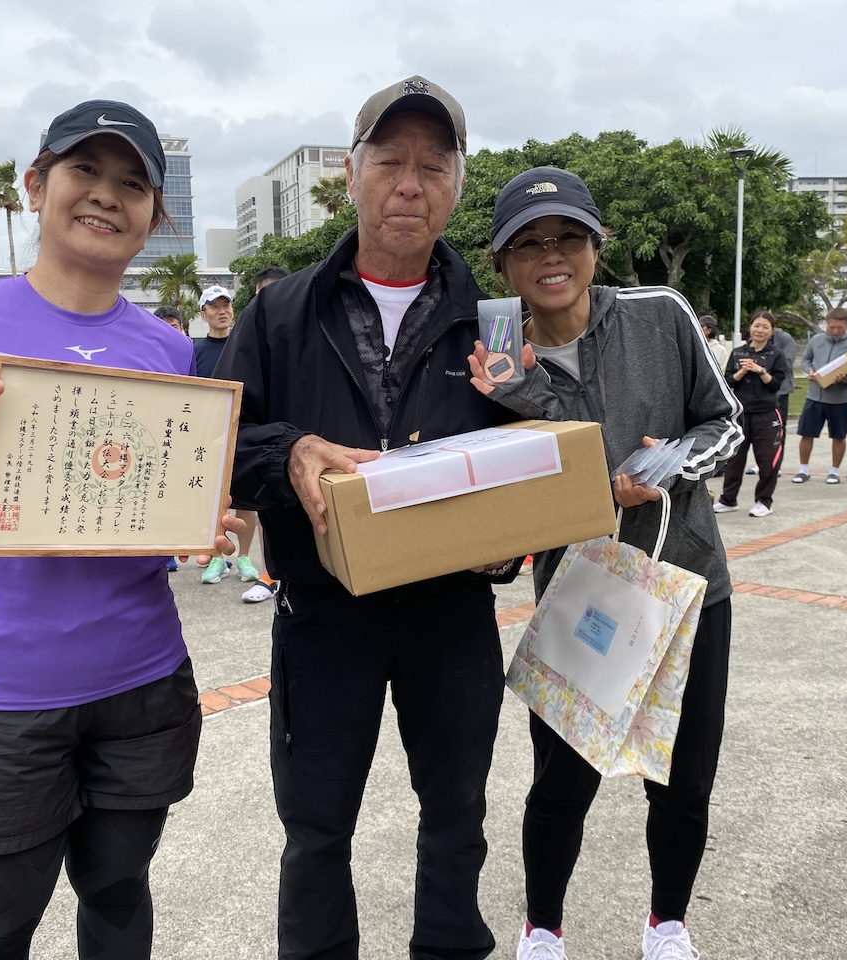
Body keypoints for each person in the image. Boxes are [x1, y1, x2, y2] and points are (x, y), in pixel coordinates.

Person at [0, 99, 242, 959]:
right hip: (0, 688)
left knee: (117, 895)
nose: (107, 197)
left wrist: (197, 525)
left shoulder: (168, 350)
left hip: (141, 679)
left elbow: (156, 504)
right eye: (85, 173)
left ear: (152, 219)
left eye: (133, 184)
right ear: (37, 186)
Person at [215, 75, 521, 960]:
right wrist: (290, 451)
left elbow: (532, 445)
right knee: (315, 825)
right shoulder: (280, 311)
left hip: (452, 611)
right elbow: (216, 445)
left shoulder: (493, 321)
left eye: (434, 164)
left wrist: (507, 546)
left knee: (458, 811)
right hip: (323, 611)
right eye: (390, 161)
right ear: (351, 174)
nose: (411, 184)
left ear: (458, 182)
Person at [466, 166, 741, 960]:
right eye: (528, 245)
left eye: (569, 238)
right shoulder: (498, 358)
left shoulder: (661, 313)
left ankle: (667, 924)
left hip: (686, 587)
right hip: (578, 591)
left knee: (684, 780)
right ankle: (543, 929)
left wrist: (667, 466)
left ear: (597, 245)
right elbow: (516, 492)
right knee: (562, 781)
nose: (551, 257)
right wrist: (517, 401)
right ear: (502, 263)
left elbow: (719, 425)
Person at [192, 285, 263, 586]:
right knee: (214, 500)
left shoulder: (246, 344)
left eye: (226, 305)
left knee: (247, 498)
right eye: (214, 306)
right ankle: (217, 558)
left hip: (245, 430)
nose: (222, 311)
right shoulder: (195, 352)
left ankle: (245, 557)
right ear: (203, 314)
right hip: (208, 434)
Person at [236, 266, 289, 604]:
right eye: (260, 298)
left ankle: (273, 576)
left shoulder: (311, 336)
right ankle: (271, 575)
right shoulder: (249, 337)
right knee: (269, 514)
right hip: (269, 455)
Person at [714, 310, 790, 517]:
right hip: (740, 414)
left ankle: (764, 501)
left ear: (772, 331)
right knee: (734, 460)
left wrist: (760, 370)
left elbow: (775, 385)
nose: (760, 330)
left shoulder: (776, 355)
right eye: (757, 325)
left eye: (765, 327)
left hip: (766, 414)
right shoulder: (738, 352)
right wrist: (742, 371)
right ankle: (728, 500)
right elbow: (727, 382)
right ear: (750, 328)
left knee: (767, 461)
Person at [793, 307, 847, 484]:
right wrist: (809, 370)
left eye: (839, 328)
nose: (834, 331)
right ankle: (803, 469)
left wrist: (846, 377)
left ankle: (834, 471)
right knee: (806, 433)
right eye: (831, 327)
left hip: (839, 398)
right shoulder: (816, 340)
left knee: (838, 435)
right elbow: (806, 359)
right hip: (814, 396)